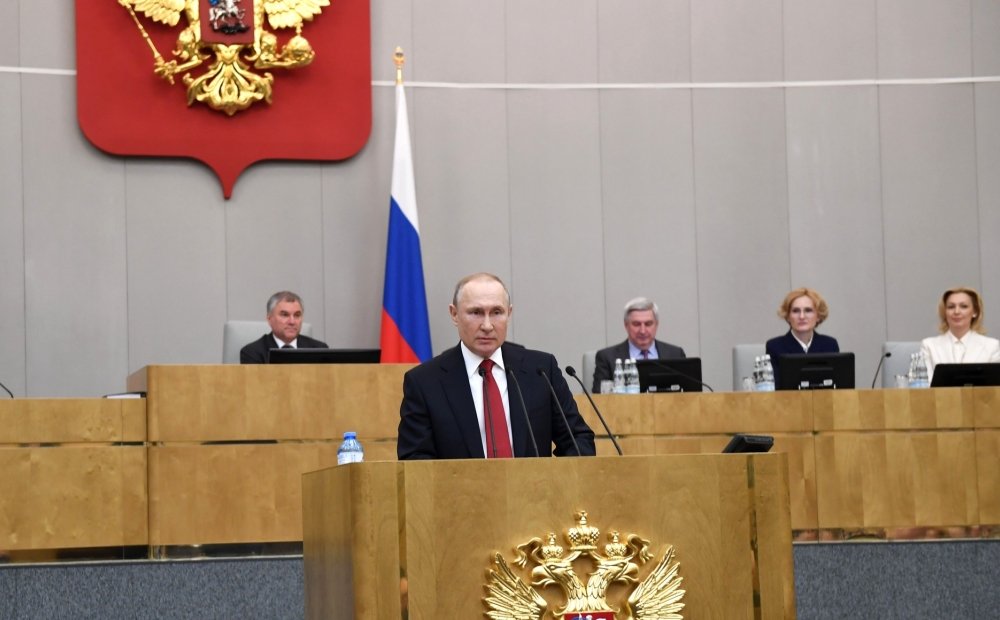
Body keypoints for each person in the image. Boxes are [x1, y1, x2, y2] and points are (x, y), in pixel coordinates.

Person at [397, 272, 596, 460]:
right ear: (454, 314)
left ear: (509, 313)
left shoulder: (542, 370)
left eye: (496, 312)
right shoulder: (425, 382)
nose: (487, 325)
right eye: (475, 312)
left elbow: (578, 440)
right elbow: (415, 461)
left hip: (535, 494)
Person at [592, 297, 685, 393]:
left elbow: (688, 394)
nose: (643, 331)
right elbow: (598, 397)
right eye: (636, 324)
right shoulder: (607, 358)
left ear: (656, 324)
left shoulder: (675, 354)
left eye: (648, 324)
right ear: (626, 325)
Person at [920, 286, 1000, 382]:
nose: (956, 312)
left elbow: (994, 387)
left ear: (975, 312)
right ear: (945, 312)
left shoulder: (992, 346)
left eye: (963, 306)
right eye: (951, 307)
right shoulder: (929, 346)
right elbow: (925, 386)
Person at [765, 288, 839, 385]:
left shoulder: (829, 345)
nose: (802, 316)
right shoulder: (774, 347)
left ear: (818, 316)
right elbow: (775, 389)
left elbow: (838, 386)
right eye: (796, 311)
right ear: (787, 316)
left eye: (808, 310)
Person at [239, 291, 328, 364]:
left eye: (297, 315)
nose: (292, 322)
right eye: (285, 315)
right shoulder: (253, 353)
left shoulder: (320, 350)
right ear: (269, 319)